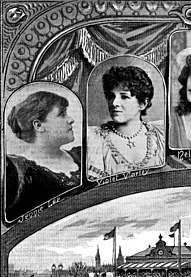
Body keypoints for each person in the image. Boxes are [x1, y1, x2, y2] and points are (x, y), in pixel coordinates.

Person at [6, 90, 81, 222]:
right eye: (61, 114)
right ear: (39, 125)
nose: (71, 120)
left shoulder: (79, 155)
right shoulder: (18, 172)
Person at [88, 65, 164, 179]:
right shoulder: (95, 139)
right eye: (111, 96)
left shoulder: (160, 135)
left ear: (143, 103)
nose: (114, 103)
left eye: (124, 97)